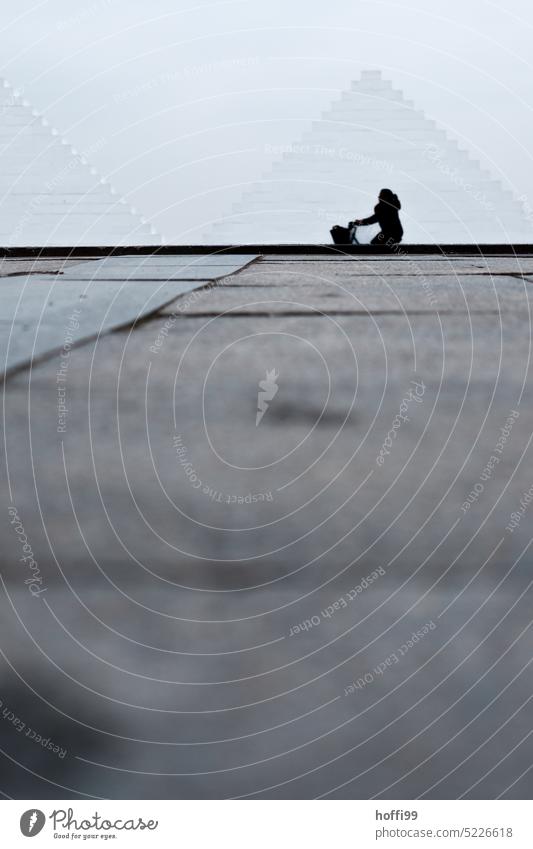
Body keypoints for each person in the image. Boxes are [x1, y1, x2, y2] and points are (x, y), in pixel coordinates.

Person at [330, 189, 403, 246]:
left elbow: (373, 219)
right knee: (376, 244)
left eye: (381, 195)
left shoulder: (385, 208)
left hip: (390, 234)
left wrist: (359, 222)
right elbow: (375, 218)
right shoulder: (391, 206)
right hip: (394, 233)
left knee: (375, 244)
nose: (379, 197)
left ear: (385, 197)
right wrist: (359, 222)